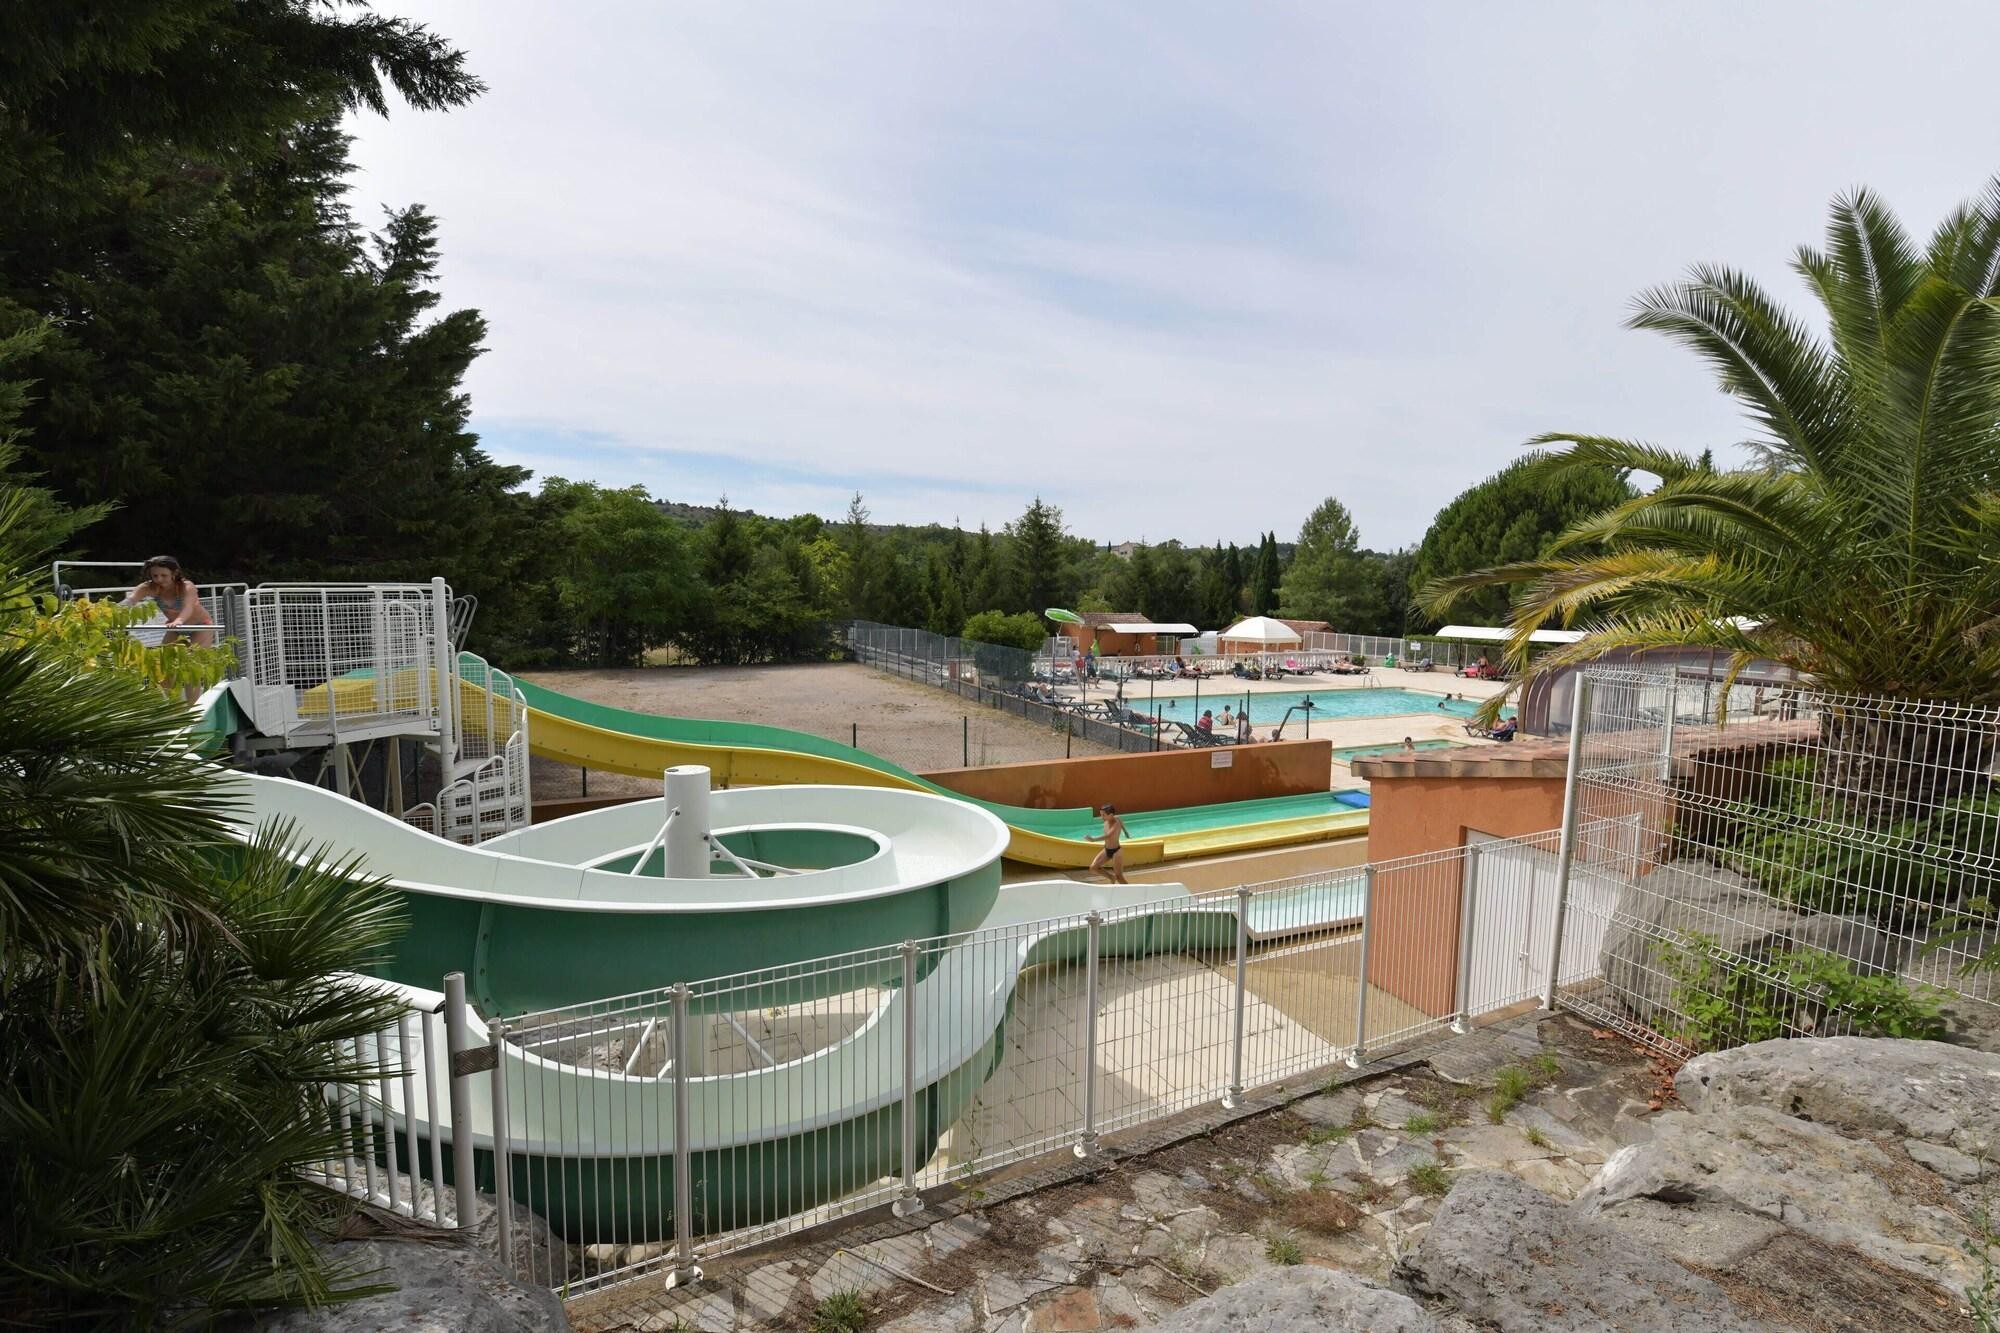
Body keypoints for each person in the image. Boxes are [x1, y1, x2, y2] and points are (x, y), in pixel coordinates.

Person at [120, 555, 217, 701]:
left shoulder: (186, 587)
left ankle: (192, 707)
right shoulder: (148, 588)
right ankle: (174, 705)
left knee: (190, 667)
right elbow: (130, 600)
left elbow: (188, 607)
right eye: (155, 576)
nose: (159, 579)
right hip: (175, 627)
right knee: (162, 666)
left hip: (200, 625)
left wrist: (179, 620)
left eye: (164, 575)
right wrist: (113, 610)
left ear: (174, 573)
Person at [1089, 804, 1129, 884]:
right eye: (1101, 815)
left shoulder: (1116, 823)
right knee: (1093, 867)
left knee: (1119, 877)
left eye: (1103, 815)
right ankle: (1111, 877)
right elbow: (1120, 820)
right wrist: (1125, 832)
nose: (1101, 817)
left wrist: (1093, 839)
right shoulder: (1110, 820)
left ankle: (1130, 890)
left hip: (1116, 851)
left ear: (1110, 815)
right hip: (1107, 850)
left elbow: (1108, 835)